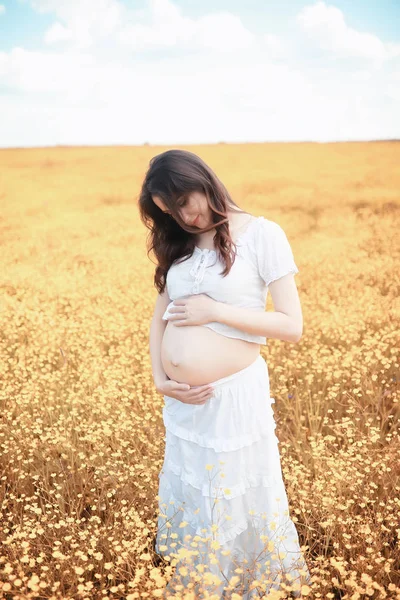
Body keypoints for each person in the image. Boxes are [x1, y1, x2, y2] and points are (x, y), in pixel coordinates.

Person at [139, 149, 312, 598]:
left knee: (234, 499)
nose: (184, 216)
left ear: (202, 180)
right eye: (169, 212)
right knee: (195, 496)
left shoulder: (261, 234)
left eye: (184, 201)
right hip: (184, 406)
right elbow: (160, 315)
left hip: (233, 400)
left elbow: (291, 326)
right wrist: (161, 378)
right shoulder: (179, 242)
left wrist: (216, 310)